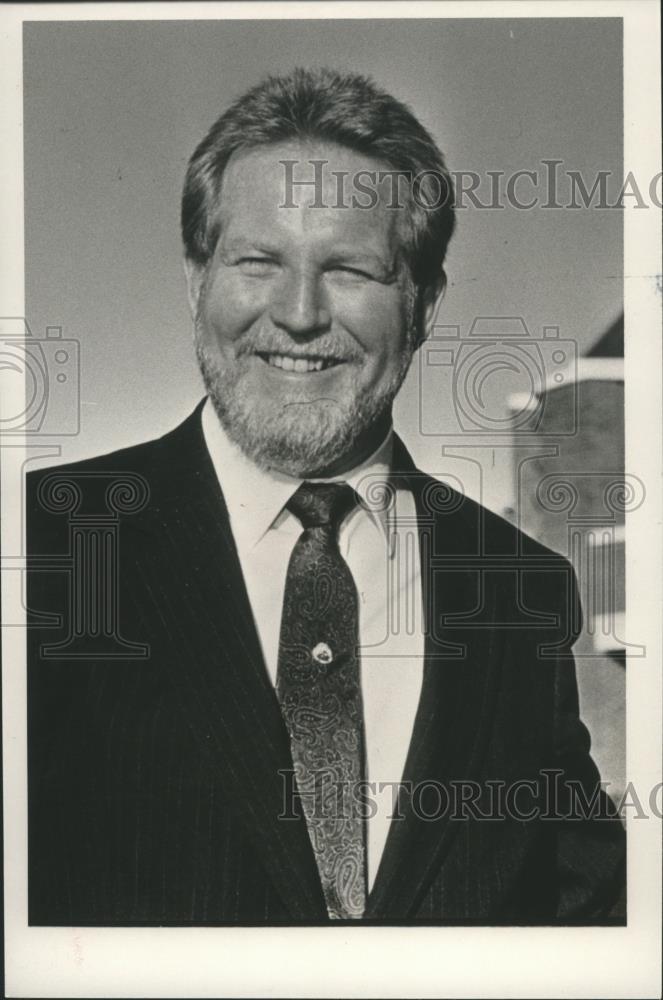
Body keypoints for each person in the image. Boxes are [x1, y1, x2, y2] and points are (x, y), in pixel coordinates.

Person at [27, 67, 625, 925]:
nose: (300, 313)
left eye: (348, 269)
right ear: (198, 281)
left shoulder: (519, 591)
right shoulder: (47, 546)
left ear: (421, 304)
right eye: (258, 261)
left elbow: (590, 916)